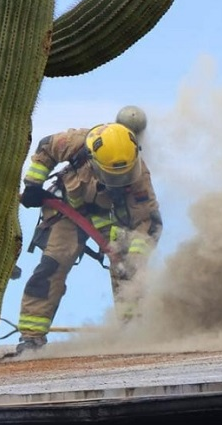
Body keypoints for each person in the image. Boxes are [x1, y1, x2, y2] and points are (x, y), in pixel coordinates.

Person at [14, 107, 162, 355]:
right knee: (52, 266)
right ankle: (31, 339)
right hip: (67, 213)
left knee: (127, 268)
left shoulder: (139, 177)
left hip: (109, 219)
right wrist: (33, 184)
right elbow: (46, 148)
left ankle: (132, 332)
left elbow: (149, 222)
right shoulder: (76, 143)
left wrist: (134, 256)